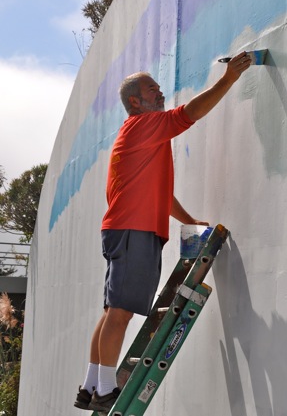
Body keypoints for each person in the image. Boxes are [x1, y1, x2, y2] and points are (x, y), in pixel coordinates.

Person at [73, 51, 252, 412]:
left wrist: (189, 220)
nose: (160, 93)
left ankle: (91, 384)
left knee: (112, 311)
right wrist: (228, 79)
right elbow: (190, 114)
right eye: (152, 90)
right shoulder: (144, 125)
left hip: (125, 229)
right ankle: (105, 391)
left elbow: (161, 194)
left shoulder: (142, 136)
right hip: (134, 231)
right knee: (120, 313)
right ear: (135, 101)